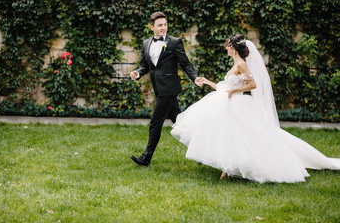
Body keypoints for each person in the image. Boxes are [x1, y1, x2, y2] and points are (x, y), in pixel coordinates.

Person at [171, 34, 340, 183]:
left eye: (228, 45)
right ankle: (227, 168)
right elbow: (225, 88)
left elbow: (253, 84)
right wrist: (207, 82)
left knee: (243, 136)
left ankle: (232, 169)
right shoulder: (235, 64)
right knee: (229, 136)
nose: (226, 48)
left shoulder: (241, 65)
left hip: (238, 105)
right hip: (228, 104)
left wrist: (234, 91)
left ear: (235, 49)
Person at [129, 12, 204, 166]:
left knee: (155, 122)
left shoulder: (175, 42)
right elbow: (145, 65)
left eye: (165, 24)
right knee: (180, 122)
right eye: (160, 25)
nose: (164, 28)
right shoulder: (145, 43)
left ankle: (146, 158)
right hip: (159, 88)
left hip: (169, 89)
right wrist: (137, 73)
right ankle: (202, 152)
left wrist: (195, 77)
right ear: (152, 27)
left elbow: (185, 63)